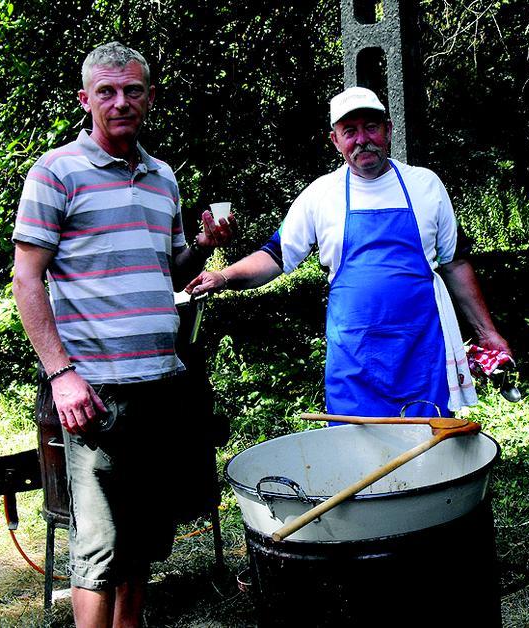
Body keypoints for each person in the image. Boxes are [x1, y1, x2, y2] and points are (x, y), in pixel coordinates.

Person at [11, 42, 234, 627]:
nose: (120, 102)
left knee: (140, 545)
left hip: (161, 385)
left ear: (150, 98)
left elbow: (170, 272)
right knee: (100, 551)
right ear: (85, 100)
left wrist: (204, 247)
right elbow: (27, 280)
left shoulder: (163, 178)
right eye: (106, 92)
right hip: (95, 393)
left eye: (133, 90)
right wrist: (62, 377)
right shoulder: (55, 173)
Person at [186, 86, 510, 419]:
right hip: (354, 364)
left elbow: (454, 262)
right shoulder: (320, 194)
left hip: (422, 357)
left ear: (388, 129)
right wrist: (223, 276)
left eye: (371, 127)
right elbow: (275, 256)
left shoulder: (425, 185)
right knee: (357, 463)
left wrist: (487, 333)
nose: (361, 140)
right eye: (349, 131)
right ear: (335, 140)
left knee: (429, 460)